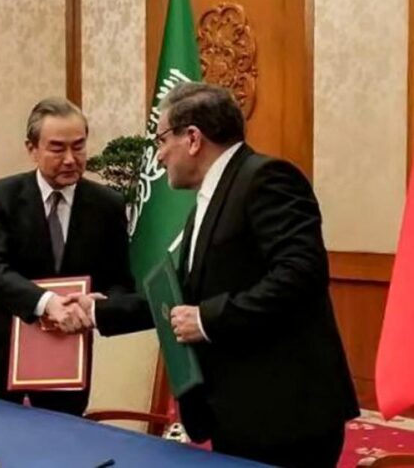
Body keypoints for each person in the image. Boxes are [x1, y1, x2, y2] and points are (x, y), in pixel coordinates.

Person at [89, 82, 359, 467]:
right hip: (238, 410)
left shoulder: (267, 178)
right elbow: (179, 296)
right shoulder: (209, 196)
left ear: (193, 138)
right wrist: (96, 311)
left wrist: (208, 319)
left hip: (286, 415)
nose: (159, 156)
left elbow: (300, 274)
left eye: (162, 140)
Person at [0, 97, 135, 416]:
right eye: (57, 148)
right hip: (1, 355)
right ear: (32, 148)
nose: (70, 159)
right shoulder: (0, 197)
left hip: (69, 358)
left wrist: (99, 304)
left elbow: (121, 281)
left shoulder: (108, 205)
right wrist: (47, 303)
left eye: (79, 147)